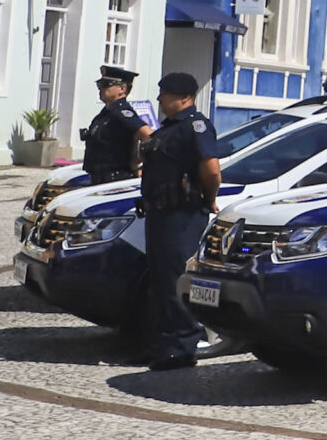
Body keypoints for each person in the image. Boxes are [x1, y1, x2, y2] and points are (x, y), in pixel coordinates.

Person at [135, 72, 222, 370]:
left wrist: (209, 199)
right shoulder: (168, 129)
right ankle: (161, 344)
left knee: (175, 281)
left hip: (182, 215)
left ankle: (182, 348)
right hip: (160, 214)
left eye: (166, 94)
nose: (160, 99)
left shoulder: (195, 127)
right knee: (159, 282)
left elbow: (211, 171)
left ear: (184, 97)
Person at [77, 65, 151, 185]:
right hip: (100, 177)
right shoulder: (106, 113)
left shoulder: (122, 113)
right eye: (99, 85)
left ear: (122, 89)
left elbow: (149, 136)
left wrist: (137, 161)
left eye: (106, 85)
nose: (100, 89)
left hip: (115, 178)